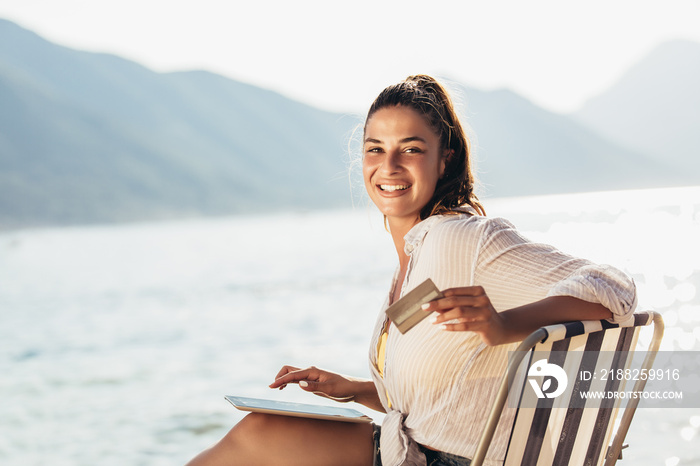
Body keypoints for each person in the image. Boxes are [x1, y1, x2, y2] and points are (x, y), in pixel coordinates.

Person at [185, 75, 637, 466]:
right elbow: (433, 401)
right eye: (375, 149)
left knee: (260, 435)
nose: (389, 167)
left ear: (445, 159)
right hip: (416, 448)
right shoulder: (414, 268)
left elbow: (614, 288)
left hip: (452, 459)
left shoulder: (461, 239)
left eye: (411, 149)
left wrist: (505, 325)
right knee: (263, 432)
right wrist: (354, 389)